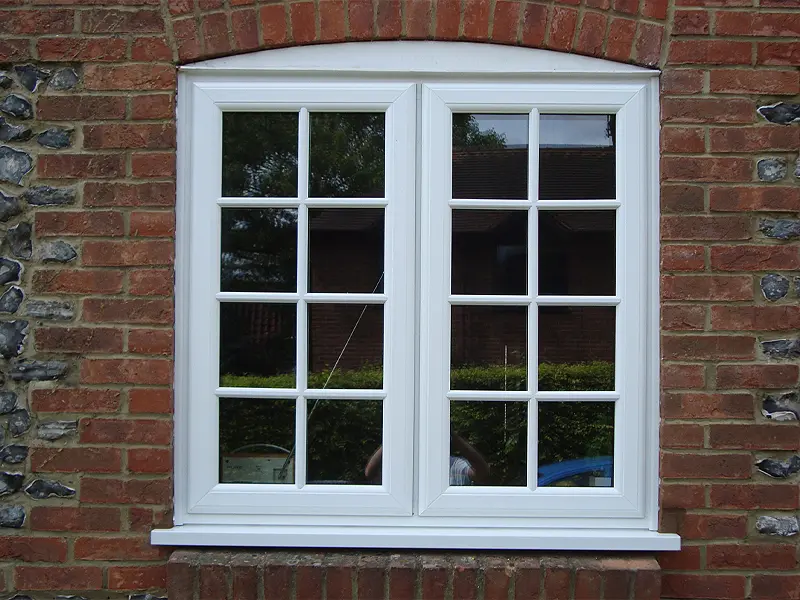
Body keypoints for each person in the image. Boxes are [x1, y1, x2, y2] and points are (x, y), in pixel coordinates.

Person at [364, 430, 490, 485]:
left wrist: (455, 438)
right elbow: (370, 473)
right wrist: (394, 436)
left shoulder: (453, 464)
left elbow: (481, 472)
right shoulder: (407, 466)